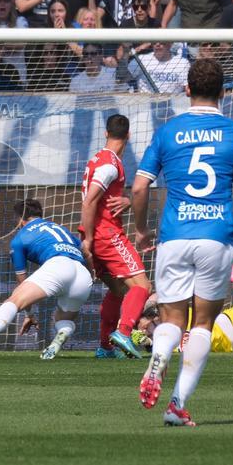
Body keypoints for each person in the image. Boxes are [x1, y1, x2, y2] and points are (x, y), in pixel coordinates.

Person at [131, 57, 233, 427]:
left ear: (186, 91)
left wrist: (140, 229)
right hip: (216, 238)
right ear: (223, 92)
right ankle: (177, 403)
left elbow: (138, 186)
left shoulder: (168, 132)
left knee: (170, 317)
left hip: (174, 237)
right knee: (203, 324)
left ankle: (158, 358)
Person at [0, 198, 93, 360]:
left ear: (20, 220)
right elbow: (87, 253)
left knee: (14, 300)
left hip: (58, 265)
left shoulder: (20, 238)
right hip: (82, 274)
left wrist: (29, 313)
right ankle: (57, 342)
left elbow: (22, 280)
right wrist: (92, 275)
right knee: (64, 317)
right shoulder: (62, 229)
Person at [80, 114, 152, 359]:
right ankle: (123, 331)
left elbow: (97, 199)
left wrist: (126, 201)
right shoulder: (110, 164)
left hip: (99, 234)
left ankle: (105, 346)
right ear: (128, 136)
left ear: (105, 133)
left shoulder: (98, 159)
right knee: (142, 286)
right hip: (106, 235)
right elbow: (90, 200)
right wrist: (88, 238)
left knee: (119, 289)